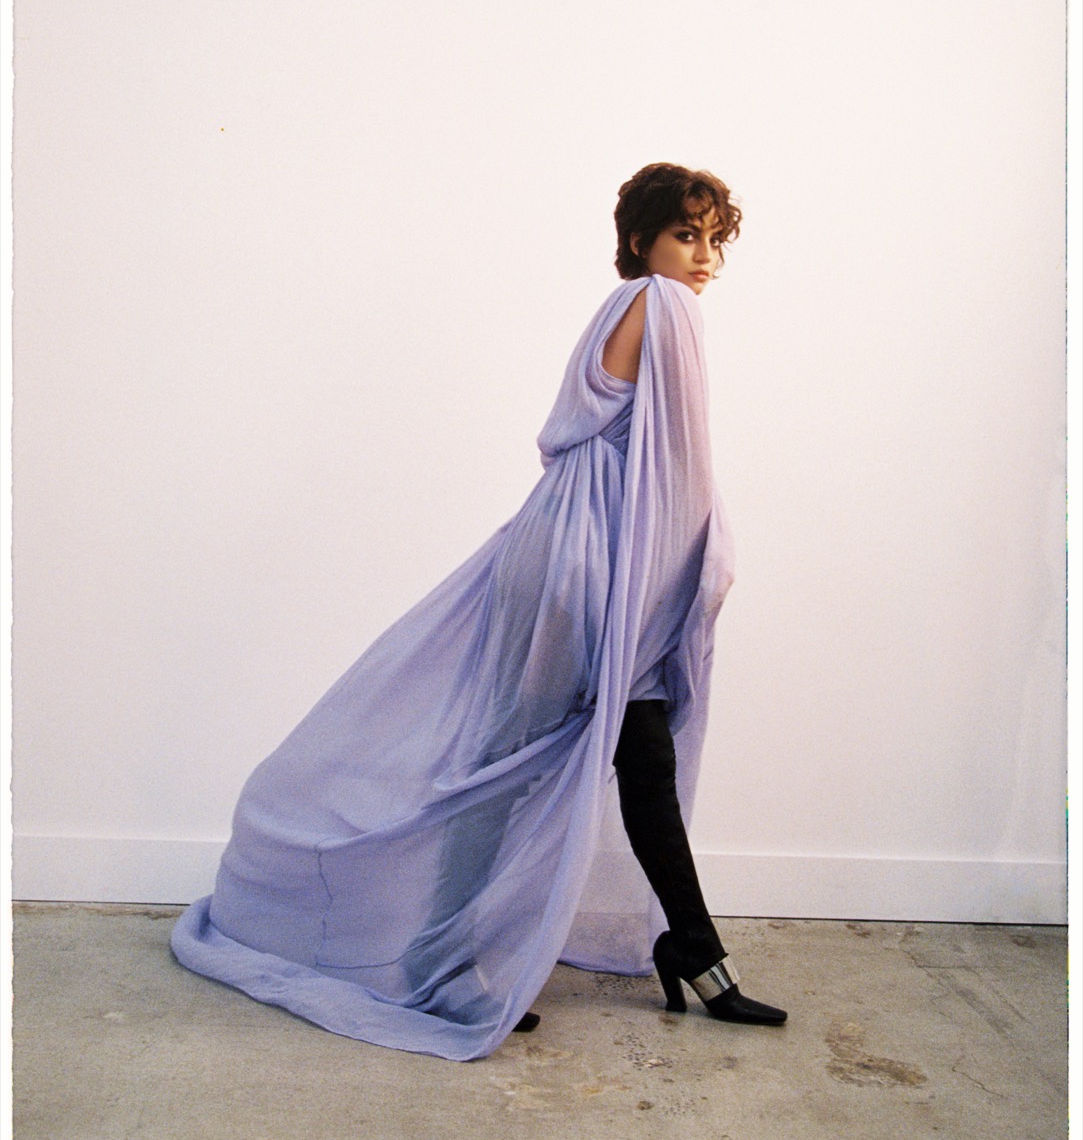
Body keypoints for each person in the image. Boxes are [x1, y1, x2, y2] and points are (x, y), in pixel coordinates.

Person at [171, 162, 786, 1060]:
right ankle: (447, 960)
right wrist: (701, 571)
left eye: (712, 241)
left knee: (625, 756)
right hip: (595, 561)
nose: (703, 259)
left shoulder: (619, 308)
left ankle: (688, 949)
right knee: (514, 759)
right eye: (684, 235)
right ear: (640, 241)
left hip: (562, 544)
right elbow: (679, 467)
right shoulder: (663, 304)